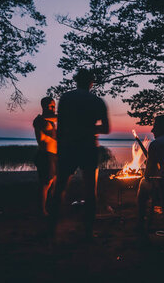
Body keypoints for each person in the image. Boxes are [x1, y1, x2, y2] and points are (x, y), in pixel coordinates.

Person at [48, 69, 110, 239]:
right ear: (91, 82)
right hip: (88, 147)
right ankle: (88, 233)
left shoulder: (66, 98)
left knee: (59, 187)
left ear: (76, 81)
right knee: (90, 190)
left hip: (67, 146)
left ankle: (51, 229)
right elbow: (105, 128)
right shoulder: (97, 101)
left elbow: (60, 129)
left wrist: (60, 147)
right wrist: (88, 130)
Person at [33, 97, 57, 217]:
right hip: (45, 155)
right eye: (49, 106)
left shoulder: (52, 122)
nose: (52, 108)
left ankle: (52, 207)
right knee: (45, 184)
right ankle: (41, 210)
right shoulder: (39, 120)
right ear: (43, 107)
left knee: (55, 184)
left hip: (55, 156)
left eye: (53, 106)